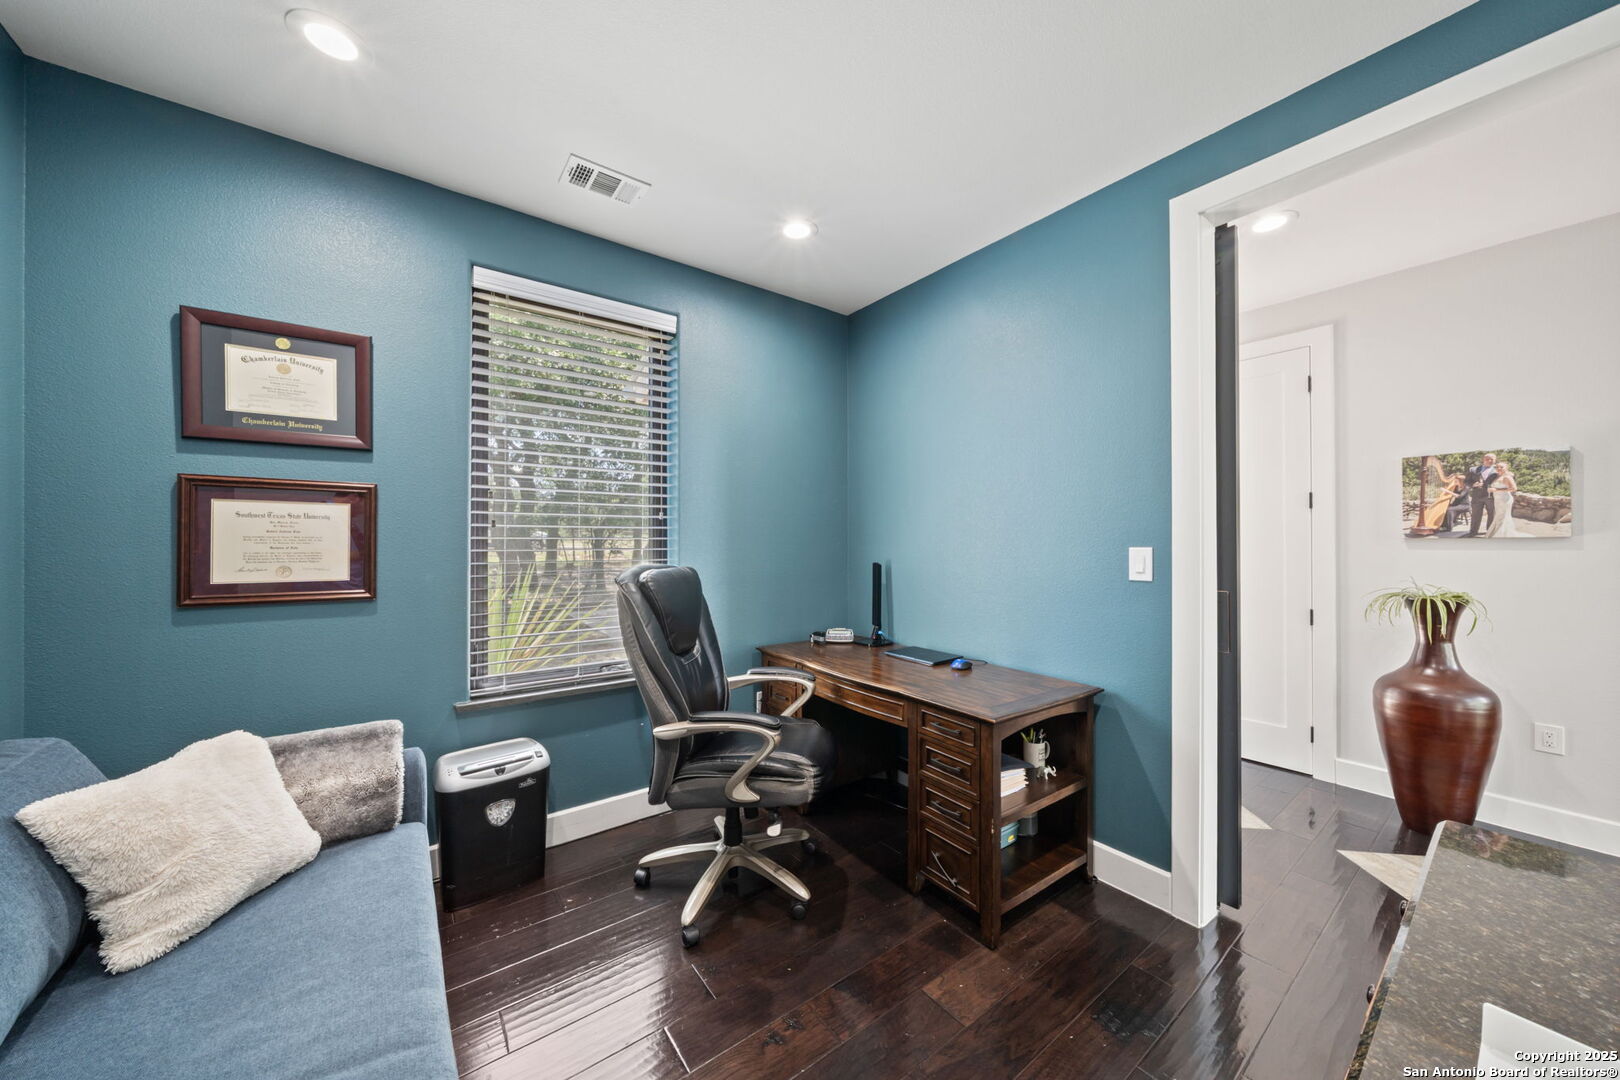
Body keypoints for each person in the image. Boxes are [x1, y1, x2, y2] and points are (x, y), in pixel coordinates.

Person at [1463, 453, 1499, 537]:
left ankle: (1489, 532)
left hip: (1491, 496)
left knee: (1492, 514)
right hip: (1476, 496)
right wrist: (1472, 485)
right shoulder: (1473, 469)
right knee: (1475, 515)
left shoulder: (1498, 470)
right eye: (1488, 459)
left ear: (1495, 460)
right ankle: (1473, 532)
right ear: (1483, 459)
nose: (1490, 461)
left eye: (1492, 459)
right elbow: (1466, 481)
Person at [1486, 462, 1520, 538]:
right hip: (1498, 500)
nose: (1499, 468)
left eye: (1501, 467)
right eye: (1497, 467)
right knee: (1498, 517)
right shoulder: (1498, 476)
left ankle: (1501, 536)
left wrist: (1496, 489)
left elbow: (1514, 489)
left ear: (1506, 468)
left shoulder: (1507, 477)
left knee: (1503, 518)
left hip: (1504, 500)